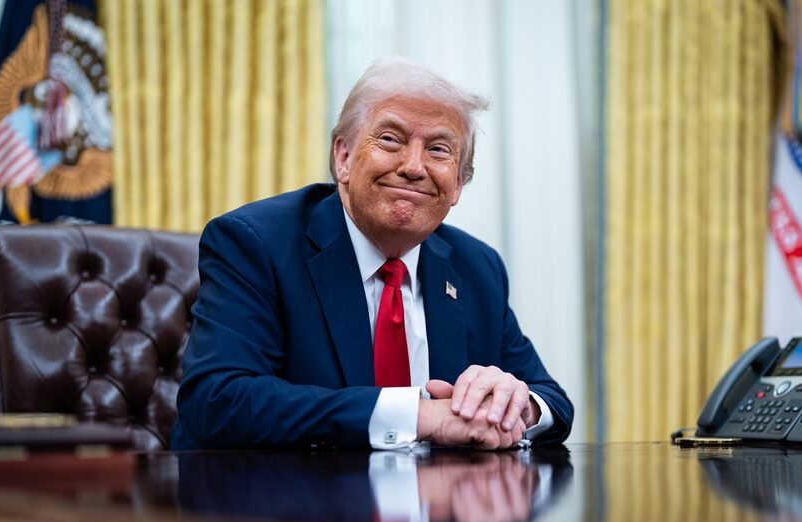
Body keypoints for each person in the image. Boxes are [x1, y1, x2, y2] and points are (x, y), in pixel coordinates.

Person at [171, 56, 572, 451]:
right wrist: (419, 417)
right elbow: (218, 400)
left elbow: (552, 400)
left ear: (458, 185)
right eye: (391, 140)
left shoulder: (476, 266)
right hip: (283, 492)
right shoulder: (256, 244)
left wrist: (515, 407)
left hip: (440, 493)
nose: (414, 167)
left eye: (438, 150)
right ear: (343, 158)